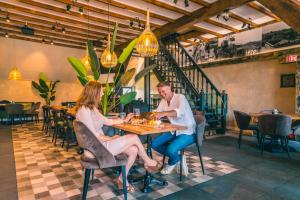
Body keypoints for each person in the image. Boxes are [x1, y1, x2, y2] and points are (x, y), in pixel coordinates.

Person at [75, 81, 161, 192]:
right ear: (94, 93)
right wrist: (111, 138)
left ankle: (121, 179)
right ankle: (148, 162)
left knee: (134, 150)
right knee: (134, 137)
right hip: (97, 149)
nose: (102, 94)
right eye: (101, 92)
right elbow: (94, 136)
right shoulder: (84, 111)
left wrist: (124, 120)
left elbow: (108, 121)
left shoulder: (92, 108)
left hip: (100, 145)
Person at [151, 81, 196, 175]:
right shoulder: (163, 101)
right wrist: (153, 115)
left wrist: (164, 113)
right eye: (160, 92)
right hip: (174, 130)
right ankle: (178, 157)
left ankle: (172, 162)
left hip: (187, 131)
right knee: (154, 144)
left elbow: (179, 112)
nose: (162, 94)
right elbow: (157, 112)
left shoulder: (180, 97)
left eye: (163, 91)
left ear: (170, 88)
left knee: (170, 149)